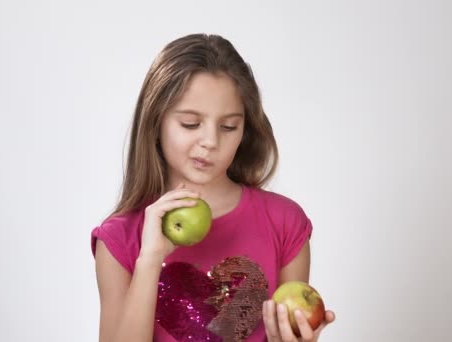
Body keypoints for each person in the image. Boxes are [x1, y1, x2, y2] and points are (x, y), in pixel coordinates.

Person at [91, 33, 335, 342]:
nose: (210, 141)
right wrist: (150, 259)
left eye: (229, 126)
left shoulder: (284, 222)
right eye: (191, 124)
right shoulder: (118, 239)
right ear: (155, 121)